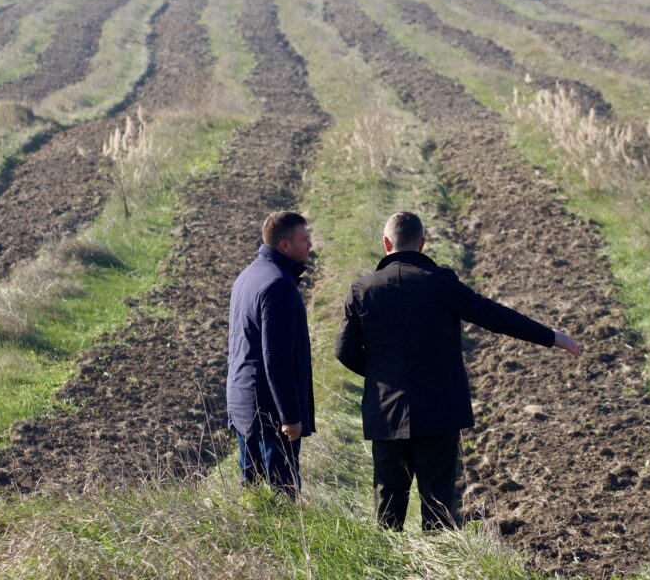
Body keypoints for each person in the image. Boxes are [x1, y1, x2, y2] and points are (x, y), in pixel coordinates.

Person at [335, 211, 582, 531]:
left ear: (386, 243)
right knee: (437, 505)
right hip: (439, 414)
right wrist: (552, 337)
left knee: (388, 505)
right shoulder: (441, 283)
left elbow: (344, 351)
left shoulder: (362, 290)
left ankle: (386, 567)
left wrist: (383, 376)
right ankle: (440, 566)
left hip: (386, 416)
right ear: (422, 244)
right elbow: (494, 316)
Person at [226, 211, 315, 497]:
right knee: (283, 498)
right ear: (285, 246)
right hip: (269, 414)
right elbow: (276, 360)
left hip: (244, 405)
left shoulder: (247, 276)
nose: (310, 244)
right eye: (305, 239)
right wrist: (290, 415)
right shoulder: (278, 286)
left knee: (252, 496)